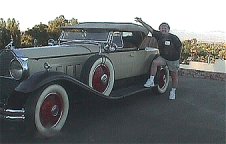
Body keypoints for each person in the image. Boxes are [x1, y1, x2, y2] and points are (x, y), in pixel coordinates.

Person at [135, 17, 182, 100]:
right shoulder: (158, 35)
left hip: (173, 60)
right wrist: (141, 21)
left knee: (174, 76)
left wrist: (178, 59)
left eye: (165, 28)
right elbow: (150, 29)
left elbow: (179, 48)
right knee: (155, 63)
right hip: (163, 58)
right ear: (159, 29)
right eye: (162, 28)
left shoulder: (174, 38)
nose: (163, 29)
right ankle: (151, 80)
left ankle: (173, 91)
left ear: (168, 29)